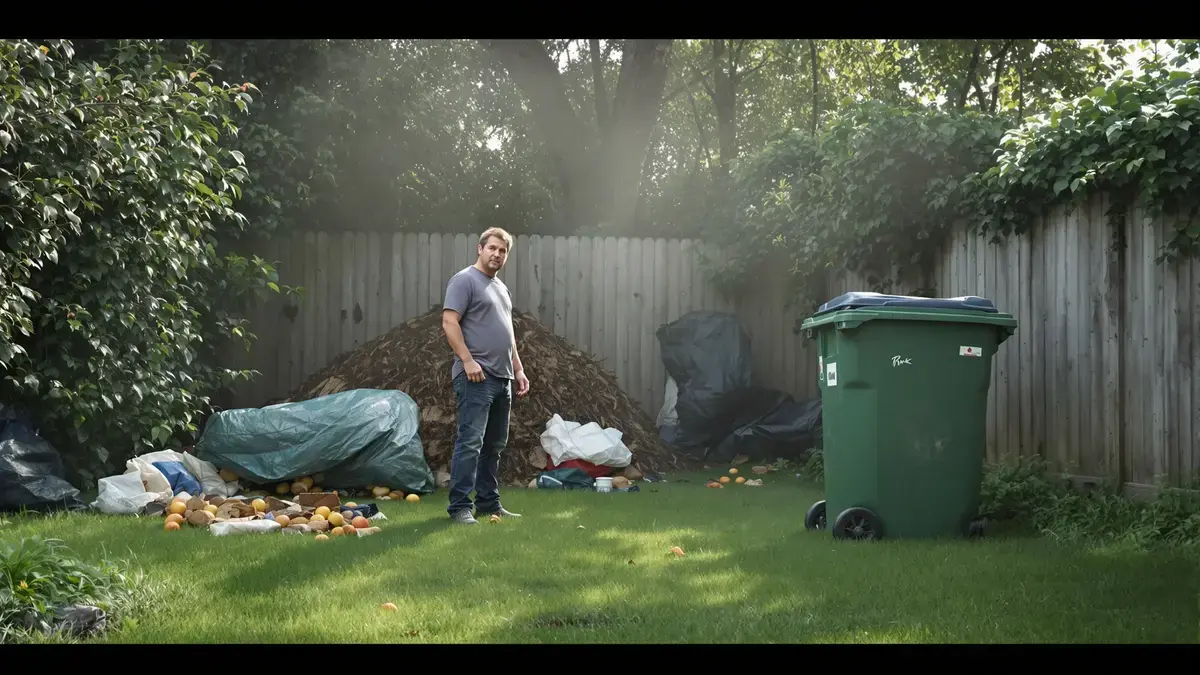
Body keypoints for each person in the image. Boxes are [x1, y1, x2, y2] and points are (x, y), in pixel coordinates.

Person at [441, 227, 531, 524]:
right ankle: (459, 508)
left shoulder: (501, 288)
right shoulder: (465, 280)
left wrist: (517, 369)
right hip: (476, 377)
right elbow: (449, 321)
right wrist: (467, 361)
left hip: (502, 378)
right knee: (470, 442)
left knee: (494, 445)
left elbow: (509, 334)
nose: (497, 254)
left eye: (503, 251)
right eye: (492, 248)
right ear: (480, 248)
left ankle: (489, 504)